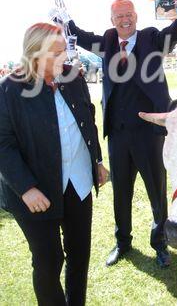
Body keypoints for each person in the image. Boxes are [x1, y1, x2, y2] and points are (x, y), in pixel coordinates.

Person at [67, 0, 177, 268]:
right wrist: (62, 16)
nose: (125, 19)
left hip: (150, 133)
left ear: (136, 15)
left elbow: (176, 31)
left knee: (156, 192)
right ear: (112, 20)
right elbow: (79, 36)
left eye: (129, 14)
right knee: (121, 192)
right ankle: (123, 242)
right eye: (119, 16)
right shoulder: (109, 41)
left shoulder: (151, 38)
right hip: (118, 134)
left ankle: (159, 242)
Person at [0, 23, 109, 306]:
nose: (67, 58)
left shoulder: (73, 78)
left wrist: (96, 160)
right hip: (35, 192)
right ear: (36, 54)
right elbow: (3, 146)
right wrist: (26, 188)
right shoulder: (8, 90)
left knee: (78, 255)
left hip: (78, 182)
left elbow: (88, 119)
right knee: (49, 260)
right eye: (59, 53)